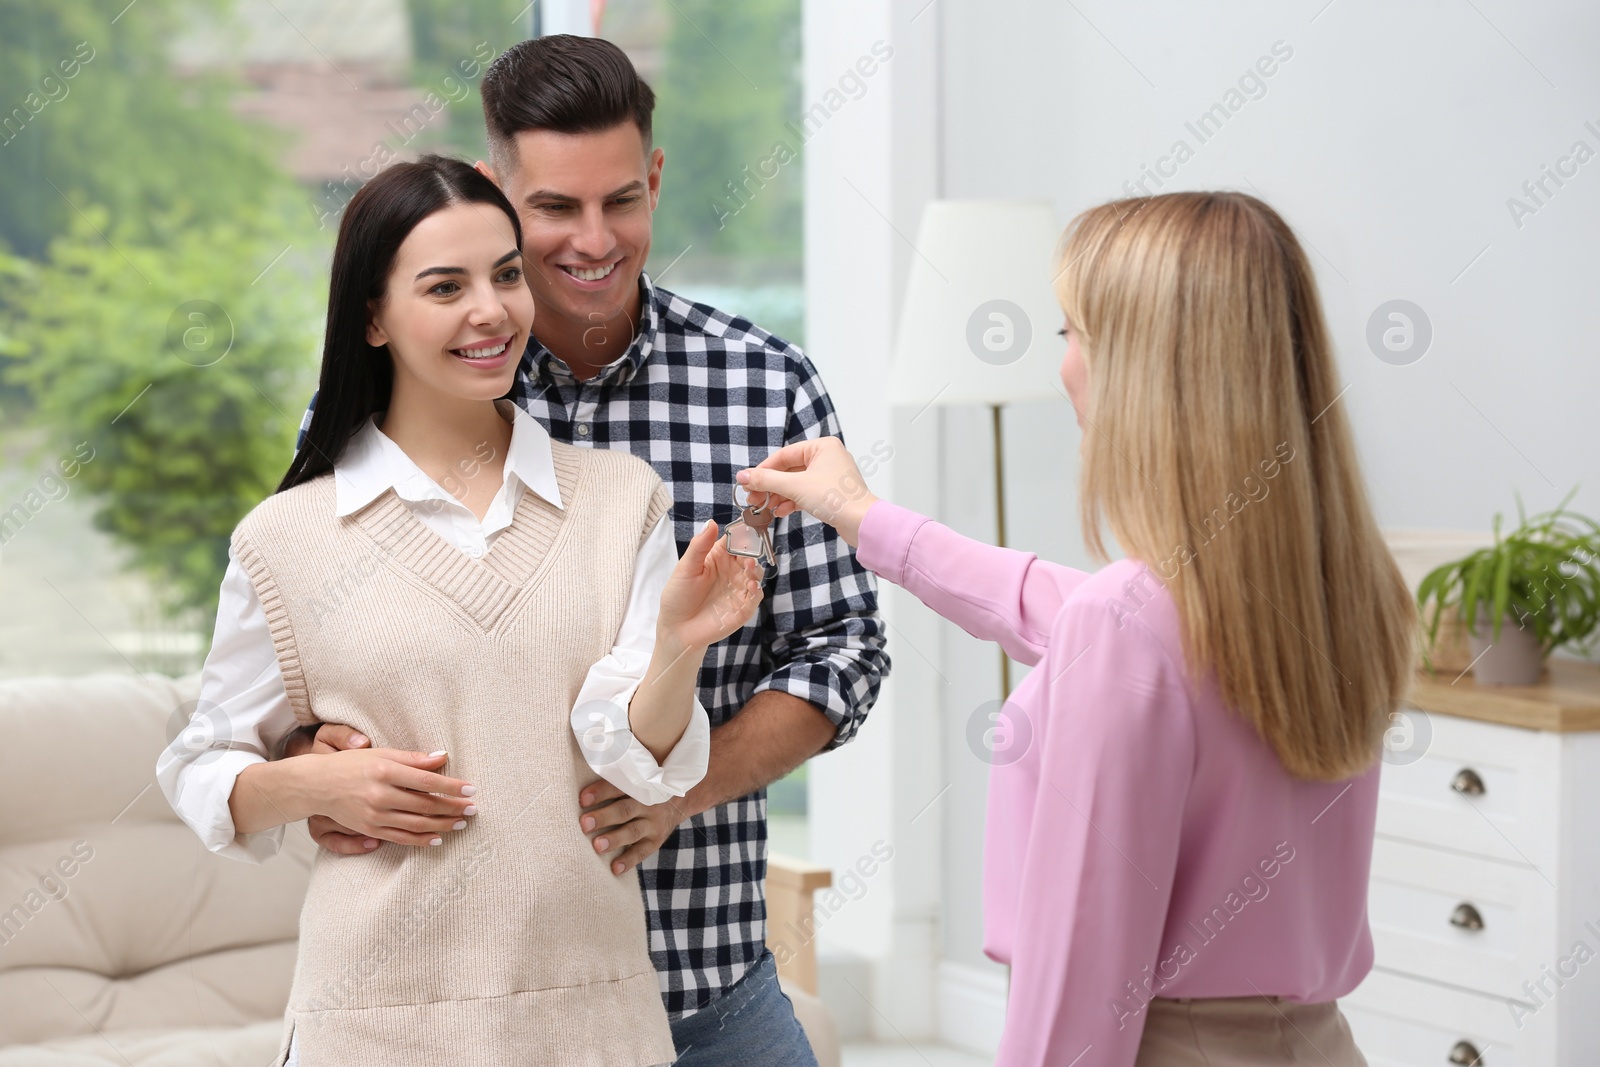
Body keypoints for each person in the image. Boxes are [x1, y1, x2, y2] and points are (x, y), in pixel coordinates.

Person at [277, 35, 888, 1065]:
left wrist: (678, 783)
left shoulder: (765, 385)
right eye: (554, 207)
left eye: (621, 200)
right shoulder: (387, 408)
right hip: (463, 1009)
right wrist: (315, 765)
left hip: (705, 989)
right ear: (493, 190)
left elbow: (840, 648)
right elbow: (299, 663)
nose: (593, 240)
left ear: (654, 179)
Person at [738, 191, 1416, 1066]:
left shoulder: (1131, 626)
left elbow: (1084, 983)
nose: (1063, 365)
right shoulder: (1352, 591)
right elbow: (1057, 606)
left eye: (1073, 333)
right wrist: (863, 517)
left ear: (1144, 368)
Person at [157, 155, 763, 1065]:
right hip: (371, 1018)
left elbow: (633, 756)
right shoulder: (284, 538)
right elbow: (203, 763)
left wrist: (680, 642)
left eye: (507, 275)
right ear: (371, 315)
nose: (493, 310)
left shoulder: (619, 498)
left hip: (591, 1013)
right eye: (446, 287)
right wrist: (317, 785)